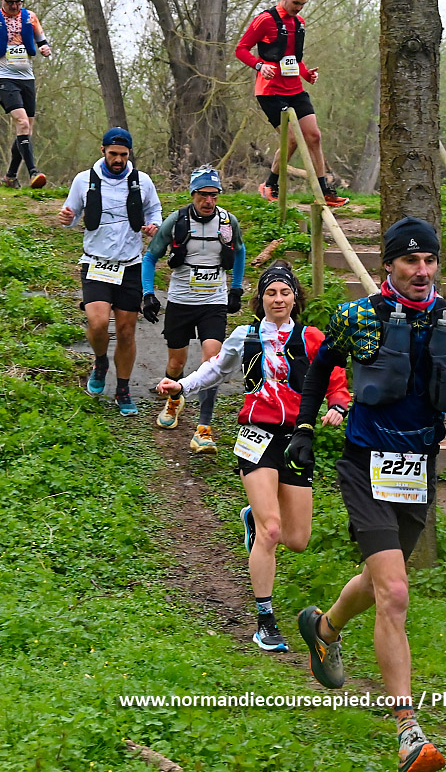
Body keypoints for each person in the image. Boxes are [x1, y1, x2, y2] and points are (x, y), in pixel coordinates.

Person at [285, 216, 446, 772]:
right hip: (364, 465)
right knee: (396, 592)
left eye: (429, 260)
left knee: (380, 582)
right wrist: (305, 429)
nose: (422, 270)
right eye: (410, 260)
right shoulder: (356, 316)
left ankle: (324, 627)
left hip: (415, 469)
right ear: (388, 264)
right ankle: (409, 732)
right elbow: (319, 369)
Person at [157, 261, 350, 651]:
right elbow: (214, 370)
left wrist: (338, 405)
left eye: (285, 292)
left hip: (297, 439)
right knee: (272, 531)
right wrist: (181, 386)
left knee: (297, 539)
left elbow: (334, 375)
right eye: (270, 293)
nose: (278, 299)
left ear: (295, 298)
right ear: (259, 300)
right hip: (256, 436)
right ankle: (265, 622)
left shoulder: (311, 337)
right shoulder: (245, 336)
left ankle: (253, 518)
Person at [141, 166, 246, 455]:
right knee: (176, 363)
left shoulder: (228, 222)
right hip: (181, 302)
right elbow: (150, 257)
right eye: (203, 195)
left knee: (212, 360)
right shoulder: (176, 221)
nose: (209, 201)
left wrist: (236, 288)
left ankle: (204, 429)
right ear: (192, 194)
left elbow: (239, 251)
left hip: (213, 302)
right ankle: (174, 399)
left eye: (214, 195)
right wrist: (148, 294)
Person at [58, 127, 162, 416]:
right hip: (96, 262)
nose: (118, 160)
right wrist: (67, 217)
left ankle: (123, 389)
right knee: (98, 322)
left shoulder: (141, 181)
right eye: (113, 154)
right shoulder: (84, 180)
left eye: (123, 155)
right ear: (102, 150)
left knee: (127, 332)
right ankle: (101, 360)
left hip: (130, 265)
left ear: (129, 154)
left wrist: (153, 226)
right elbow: (71, 215)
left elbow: (154, 211)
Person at [235, 0, 349, 208]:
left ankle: (325, 192)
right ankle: (270, 185)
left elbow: (294, 58)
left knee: (314, 136)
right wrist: (260, 66)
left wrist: (307, 74)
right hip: (270, 91)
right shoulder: (265, 20)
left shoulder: (299, 23)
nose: (298, 8)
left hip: (295, 89)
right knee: (293, 139)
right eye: (295, 3)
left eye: (302, 5)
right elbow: (241, 49)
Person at [0, 0, 51, 189]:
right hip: (4, 77)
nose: (15, 6)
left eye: (18, 1)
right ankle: (34, 173)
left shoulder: (30, 17)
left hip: (27, 78)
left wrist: (45, 48)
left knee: (26, 130)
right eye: (10, 1)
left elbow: (41, 40)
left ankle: (10, 176)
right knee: (22, 123)